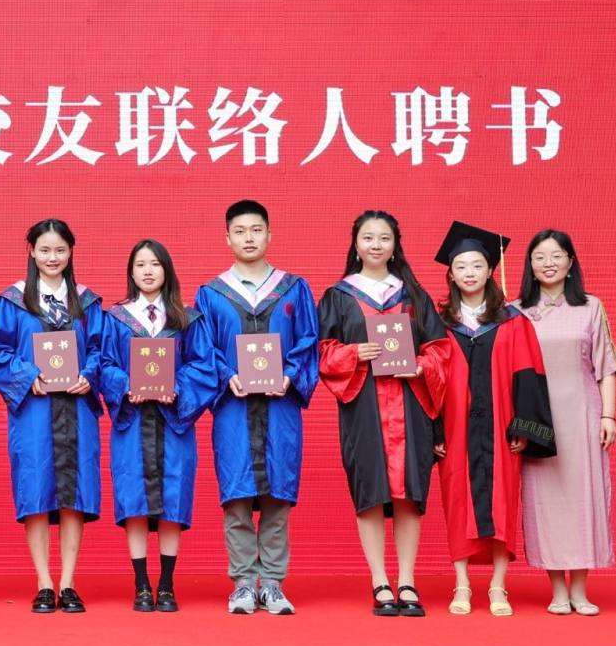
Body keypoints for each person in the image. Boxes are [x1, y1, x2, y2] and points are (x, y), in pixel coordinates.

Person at [317, 211, 451, 617]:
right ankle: (380, 581)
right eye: (368, 237)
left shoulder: (413, 295)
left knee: (410, 493)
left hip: (410, 405)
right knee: (370, 492)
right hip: (364, 406)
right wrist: (353, 353)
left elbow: (440, 349)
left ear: (395, 245)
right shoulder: (339, 296)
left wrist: (420, 367)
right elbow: (322, 352)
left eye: (384, 238)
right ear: (355, 244)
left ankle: (407, 580)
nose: (376, 245)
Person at [192, 200, 319, 616]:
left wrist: (291, 375)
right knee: (238, 495)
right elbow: (203, 349)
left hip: (280, 407)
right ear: (227, 238)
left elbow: (308, 341)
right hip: (234, 407)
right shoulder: (212, 294)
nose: (249, 238)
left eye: (256, 230)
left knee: (278, 495)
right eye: (240, 231)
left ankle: (274, 583)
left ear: (269, 234)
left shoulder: (293, 288)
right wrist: (226, 373)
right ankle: (244, 582)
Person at [433, 221, 556, 617]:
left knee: (503, 500)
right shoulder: (437, 322)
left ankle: (499, 586)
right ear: (451, 274)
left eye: (477, 265)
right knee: (457, 500)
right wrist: (434, 430)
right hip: (455, 428)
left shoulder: (512, 321)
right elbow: (429, 379)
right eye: (461, 266)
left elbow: (528, 374)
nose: (469, 272)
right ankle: (462, 583)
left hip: (501, 427)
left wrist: (524, 427)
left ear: (490, 270)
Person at [0, 219, 105, 613]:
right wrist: (26, 376)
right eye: (45, 250)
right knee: (36, 490)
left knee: (73, 494)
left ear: (70, 252)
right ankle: (44, 581)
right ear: (31, 252)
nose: (52, 257)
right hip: (34, 410)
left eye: (60, 250)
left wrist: (89, 375)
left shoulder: (87, 303)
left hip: (76, 408)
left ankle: (68, 582)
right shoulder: (12, 301)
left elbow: (101, 350)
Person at [98, 240, 220, 612]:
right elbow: (104, 363)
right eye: (140, 265)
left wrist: (177, 388)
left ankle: (166, 585)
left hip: (173, 423)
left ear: (167, 270)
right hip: (133, 422)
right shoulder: (116, 318)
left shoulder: (187, 318)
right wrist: (126, 386)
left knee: (172, 498)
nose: (148, 271)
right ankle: (141, 585)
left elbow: (203, 366)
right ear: (131, 272)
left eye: (155, 264)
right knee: (134, 499)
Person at [515, 229, 616, 616]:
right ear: (530, 265)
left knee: (583, 497)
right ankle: (557, 590)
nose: (548, 263)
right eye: (540, 257)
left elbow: (606, 367)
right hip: (537, 420)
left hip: (581, 415)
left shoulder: (591, 307)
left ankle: (580, 589)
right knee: (545, 501)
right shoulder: (516, 311)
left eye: (556, 256)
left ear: (570, 262)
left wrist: (608, 415)